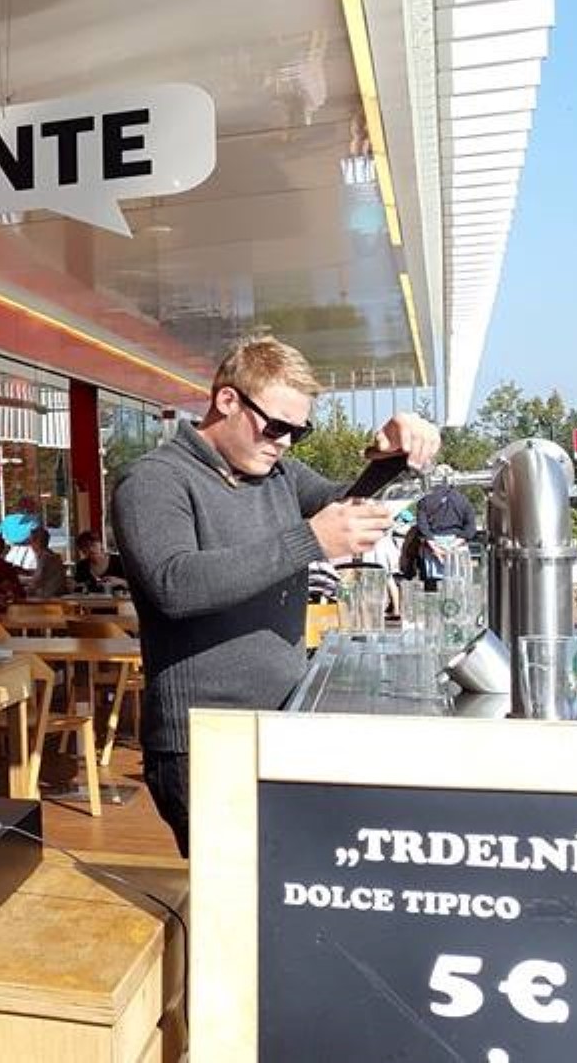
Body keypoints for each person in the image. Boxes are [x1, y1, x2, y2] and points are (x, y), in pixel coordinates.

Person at [112, 337, 439, 856]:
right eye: (277, 427)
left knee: (287, 885)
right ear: (227, 401)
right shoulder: (153, 480)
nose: (285, 443)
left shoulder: (277, 474)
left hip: (282, 721)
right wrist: (309, 541)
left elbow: (343, 503)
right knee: (238, 896)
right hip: (203, 740)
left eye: (298, 432)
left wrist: (393, 456)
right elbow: (174, 584)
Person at [414, 481, 477, 586]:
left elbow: (422, 527)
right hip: (458, 546)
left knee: (433, 584)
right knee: (458, 582)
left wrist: (435, 548)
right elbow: (470, 529)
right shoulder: (463, 500)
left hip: (432, 546)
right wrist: (451, 547)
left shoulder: (424, 501)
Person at [23, 526, 67, 599]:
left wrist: (23, 591)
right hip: (56, 596)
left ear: (37, 542)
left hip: (48, 598)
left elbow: (37, 582)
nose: (31, 545)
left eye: (31, 542)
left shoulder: (45, 557)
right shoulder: (54, 556)